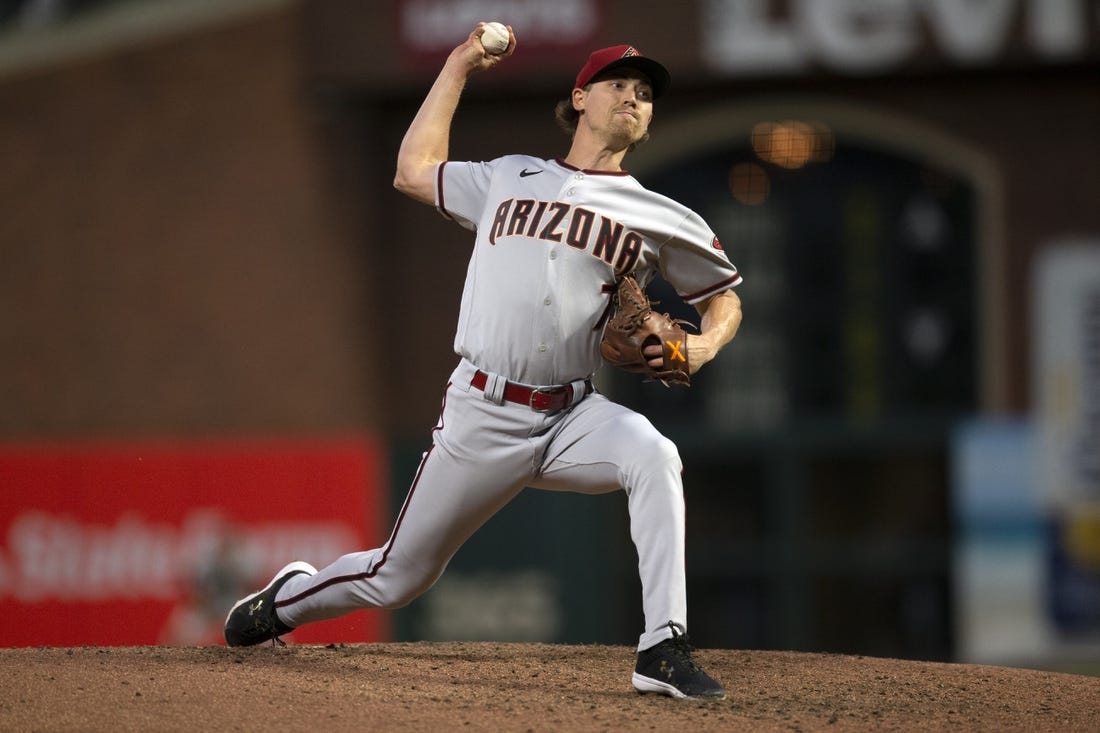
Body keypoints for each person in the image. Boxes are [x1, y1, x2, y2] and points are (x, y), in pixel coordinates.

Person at [224, 23, 743, 700]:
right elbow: (412, 170)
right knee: (398, 576)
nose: (634, 98)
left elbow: (725, 297)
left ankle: (662, 647)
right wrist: (459, 65)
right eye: (620, 84)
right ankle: (287, 601)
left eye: (645, 93)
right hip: (482, 411)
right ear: (580, 97)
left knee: (654, 454)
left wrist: (702, 345)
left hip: (572, 414)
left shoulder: (656, 213)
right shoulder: (508, 175)